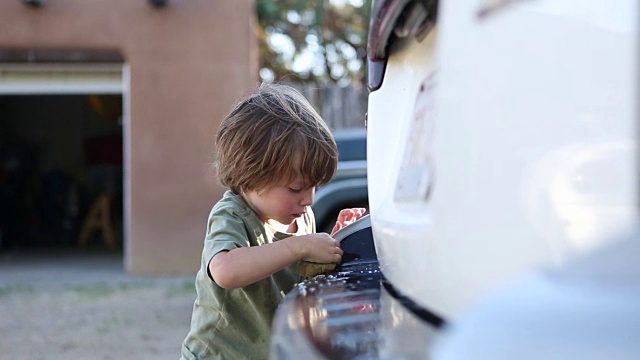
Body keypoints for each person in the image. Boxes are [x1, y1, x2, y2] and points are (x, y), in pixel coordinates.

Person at [180, 82, 366, 360]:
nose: (309, 199)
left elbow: (304, 286)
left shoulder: (302, 219)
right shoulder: (233, 214)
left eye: (314, 187)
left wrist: (336, 244)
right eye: (296, 188)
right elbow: (225, 271)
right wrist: (299, 247)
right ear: (251, 175)